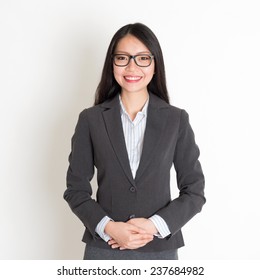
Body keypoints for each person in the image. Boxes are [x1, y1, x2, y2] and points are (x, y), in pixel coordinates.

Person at [64, 22, 206, 260]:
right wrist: (109, 227)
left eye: (142, 58)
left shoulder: (176, 119)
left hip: (159, 249)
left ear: (154, 65)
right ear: (112, 63)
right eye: (123, 58)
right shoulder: (91, 119)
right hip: (104, 249)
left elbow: (194, 191)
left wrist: (153, 225)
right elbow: (75, 190)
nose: (132, 67)